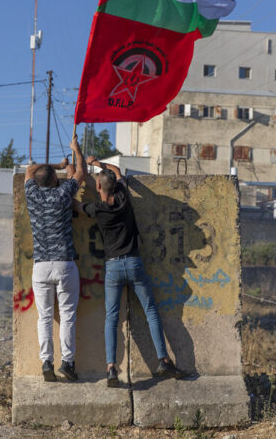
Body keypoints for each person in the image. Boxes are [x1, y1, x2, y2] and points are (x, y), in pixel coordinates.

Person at [76, 156, 185, 387]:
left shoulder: (97, 209)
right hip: (134, 263)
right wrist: (98, 162)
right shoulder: (124, 199)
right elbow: (116, 169)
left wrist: (76, 172)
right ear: (114, 185)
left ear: (98, 188)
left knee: (111, 318)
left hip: (113, 267)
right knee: (151, 311)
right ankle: (163, 359)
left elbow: (75, 205)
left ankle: (111, 368)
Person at [24, 135, 86, 382]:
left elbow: (29, 169)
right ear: (53, 181)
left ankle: (46, 362)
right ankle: (68, 363)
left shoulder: (31, 195)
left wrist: (58, 167)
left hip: (40, 265)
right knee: (68, 315)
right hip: (64, 263)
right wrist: (76, 151)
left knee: (45, 317)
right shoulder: (63, 195)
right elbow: (81, 172)